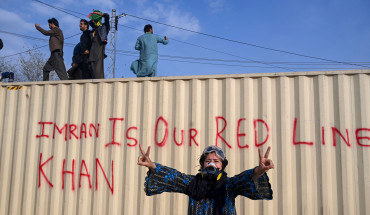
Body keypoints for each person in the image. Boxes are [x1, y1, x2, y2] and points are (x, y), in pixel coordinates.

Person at [138, 145, 274, 215]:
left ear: (222, 165)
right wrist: (152, 166)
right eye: (208, 160)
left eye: (216, 161)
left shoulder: (230, 185)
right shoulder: (192, 183)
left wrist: (259, 170)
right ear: (203, 164)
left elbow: (245, 179)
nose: (211, 164)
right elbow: (173, 177)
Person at [88, 10, 110, 79]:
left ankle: (99, 80)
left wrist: (100, 14)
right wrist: (94, 15)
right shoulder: (94, 28)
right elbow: (90, 22)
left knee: (98, 65)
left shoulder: (105, 27)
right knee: (91, 64)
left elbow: (107, 16)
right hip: (93, 48)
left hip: (100, 46)